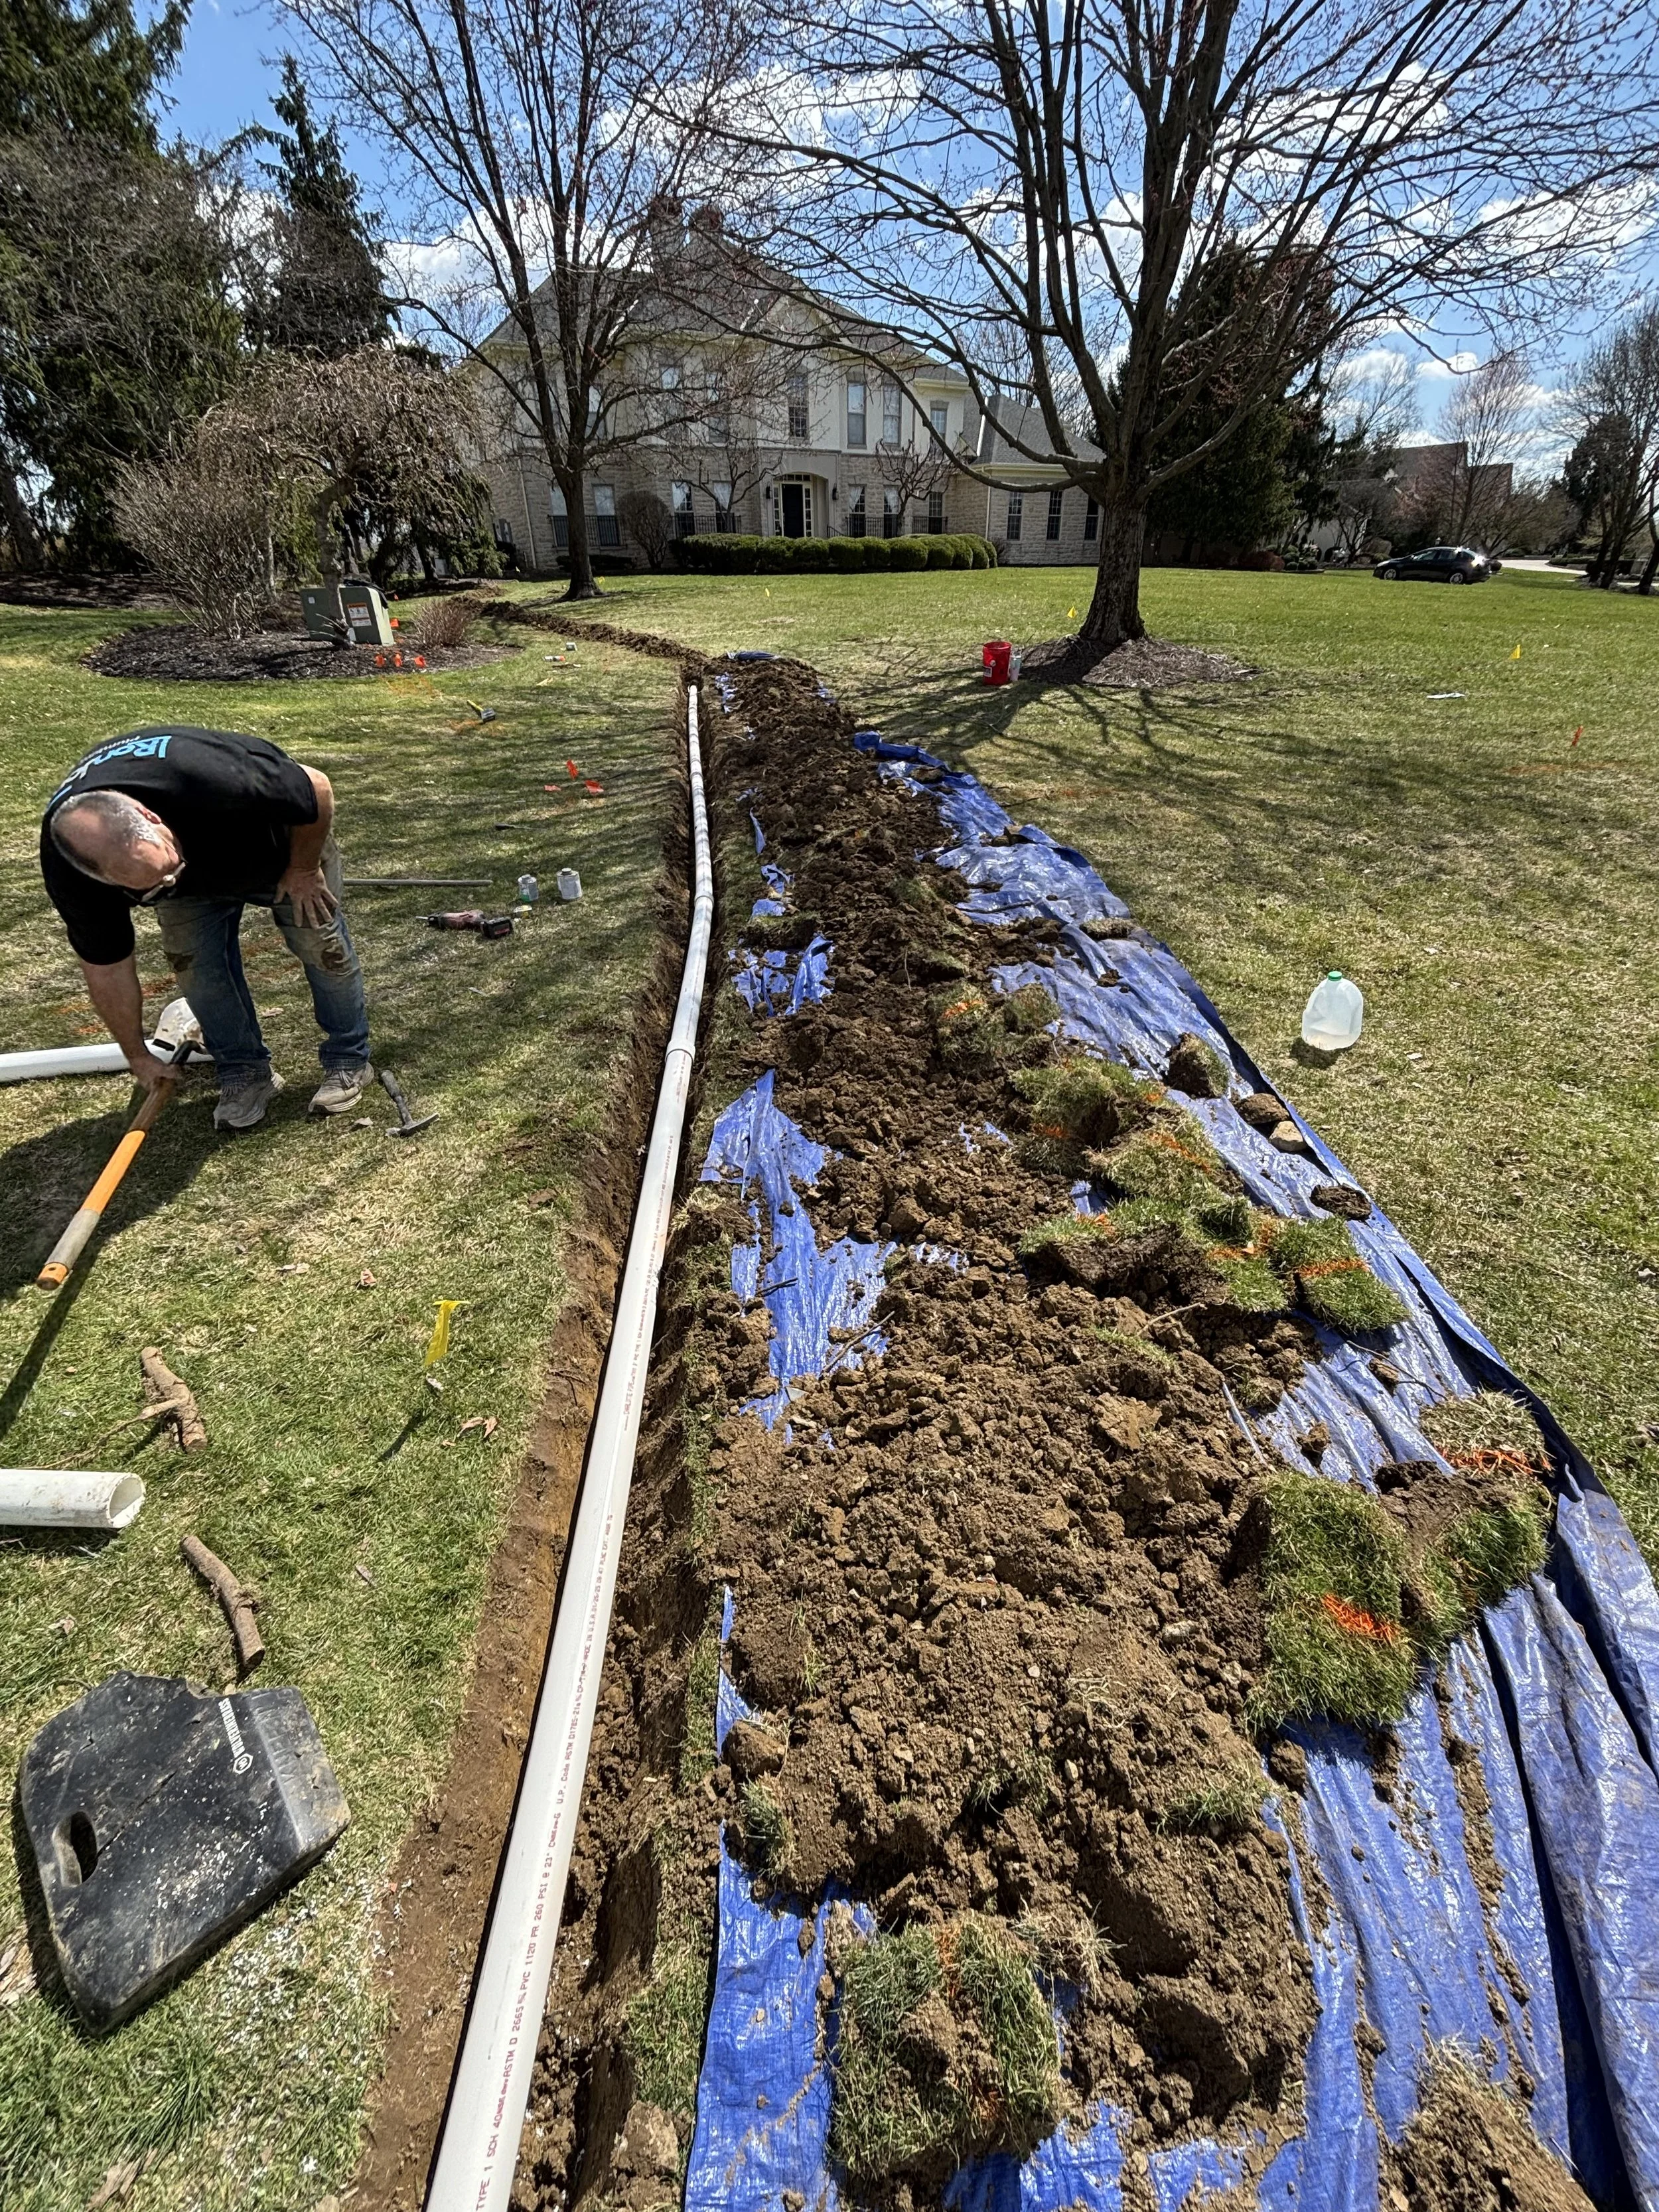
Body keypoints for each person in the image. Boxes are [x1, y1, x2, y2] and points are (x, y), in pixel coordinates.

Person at [39, 723, 372, 1132]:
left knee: (321, 946)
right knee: (197, 969)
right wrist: (137, 1056)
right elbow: (107, 968)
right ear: (101, 878)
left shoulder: (207, 776)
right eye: (151, 889)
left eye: (168, 866)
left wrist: (303, 868)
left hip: (278, 851)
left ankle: (348, 1059)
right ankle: (245, 1073)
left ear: (151, 816)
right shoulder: (71, 870)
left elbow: (315, 786)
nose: (171, 882)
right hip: (199, 880)